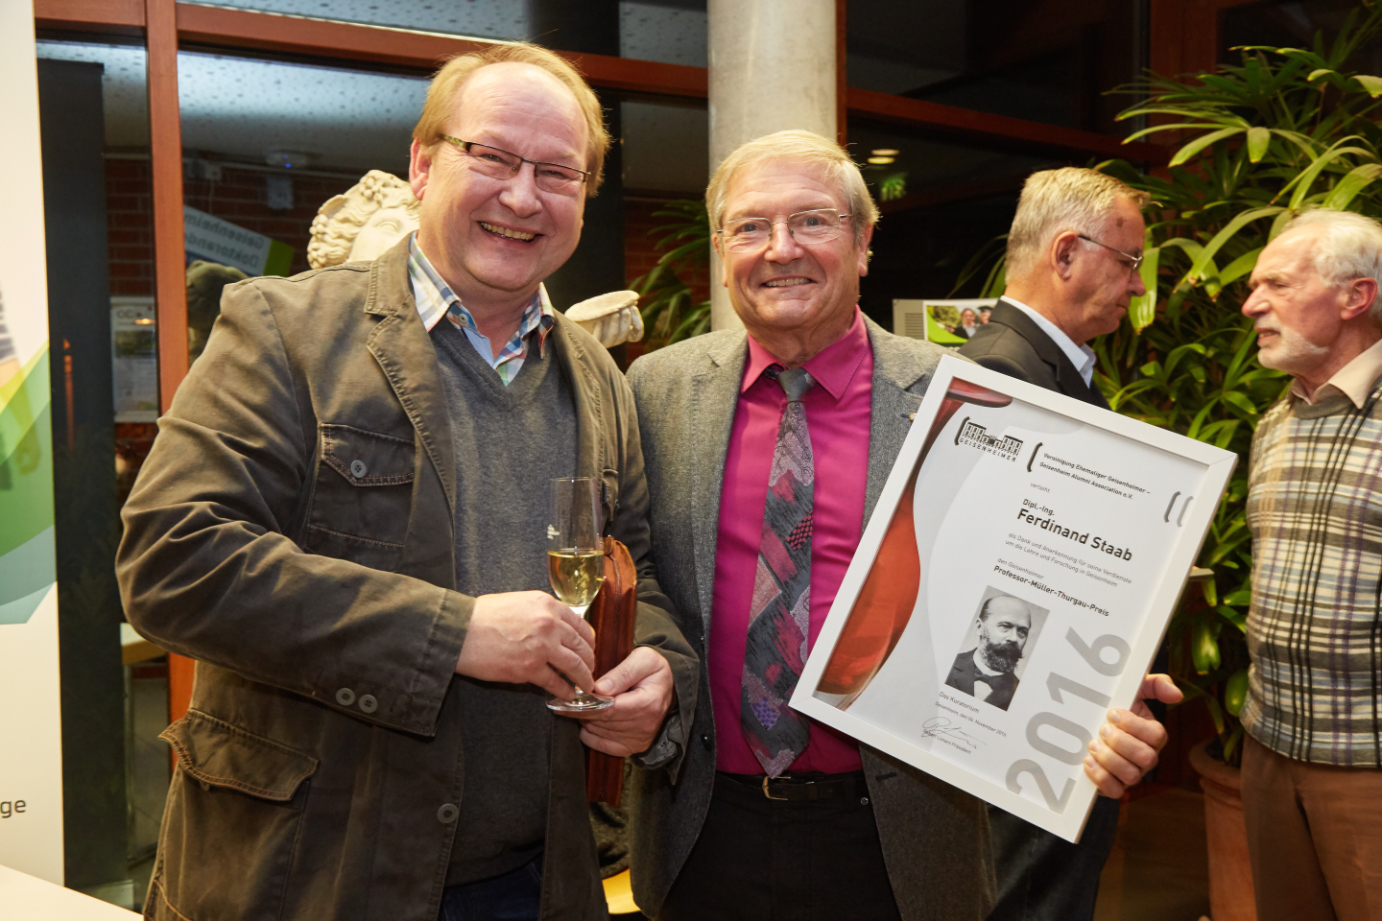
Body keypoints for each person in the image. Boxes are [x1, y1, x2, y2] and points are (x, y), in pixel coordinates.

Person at [117, 42, 696, 921]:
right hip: (310, 879)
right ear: (423, 166)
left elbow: (633, 567)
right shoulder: (284, 329)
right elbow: (174, 563)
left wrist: (660, 668)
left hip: (540, 880)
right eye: (493, 156)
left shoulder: (599, 379)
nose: (522, 196)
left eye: (556, 172)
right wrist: (452, 632)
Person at [626, 131, 1175, 921]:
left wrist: (1093, 695)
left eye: (812, 221)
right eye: (749, 226)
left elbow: (1030, 583)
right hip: (704, 831)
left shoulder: (968, 399)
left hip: (900, 840)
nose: (781, 248)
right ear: (721, 251)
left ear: (863, 242)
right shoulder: (658, 390)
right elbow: (635, 563)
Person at [958, 167, 1167, 921]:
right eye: (1130, 260)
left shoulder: (1044, 366)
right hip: (1022, 742)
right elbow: (985, 573)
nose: (1138, 285)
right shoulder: (1004, 373)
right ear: (1068, 252)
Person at [1237, 208, 1382, 921]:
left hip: (1369, 767)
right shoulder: (1274, 423)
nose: (1251, 305)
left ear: (1356, 296)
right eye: (1253, 287)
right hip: (1267, 747)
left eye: (1277, 285)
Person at [944, 594, 1033, 712]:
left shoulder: (1021, 695)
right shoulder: (945, 664)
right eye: (1005, 626)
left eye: (1022, 631)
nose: (1014, 638)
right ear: (979, 627)